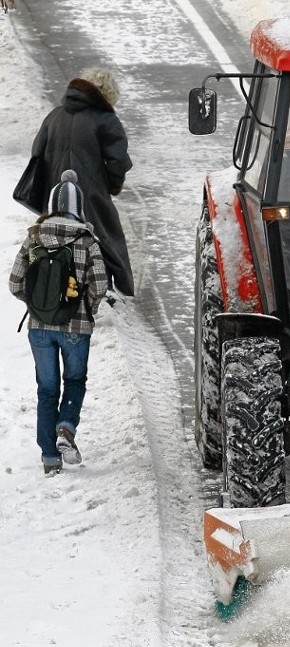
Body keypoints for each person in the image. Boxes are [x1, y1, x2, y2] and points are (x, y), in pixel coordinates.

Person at [9, 170, 109, 476]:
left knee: (46, 389)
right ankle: (66, 427)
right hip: (76, 328)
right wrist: (86, 307)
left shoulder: (34, 236)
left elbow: (15, 283)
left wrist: (38, 304)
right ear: (78, 207)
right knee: (75, 381)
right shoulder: (87, 240)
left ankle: (50, 458)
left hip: (39, 328)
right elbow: (101, 284)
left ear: (51, 205)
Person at [29, 67, 134, 296]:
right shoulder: (106, 120)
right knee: (108, 237)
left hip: (54, 194)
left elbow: (37, 152)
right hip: (90, 194)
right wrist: (113, 183)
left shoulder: (54, 115)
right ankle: (114, 288)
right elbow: (118, 160)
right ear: (108, 94)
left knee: (52, 236)